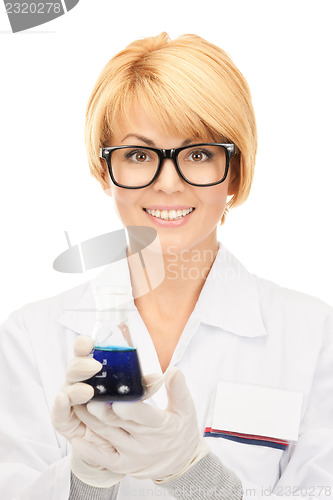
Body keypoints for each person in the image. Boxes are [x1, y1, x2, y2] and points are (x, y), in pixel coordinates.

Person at [0, 32, 332, 500]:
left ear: (234, 170)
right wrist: (87, 479)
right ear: (104, 172)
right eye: (138, 155)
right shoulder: (29, 338)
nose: (169, 183)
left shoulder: (314, 335)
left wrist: (192, 474)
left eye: (198, 154)